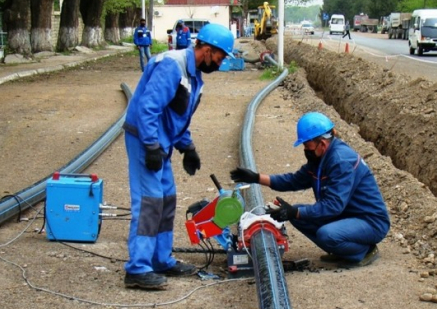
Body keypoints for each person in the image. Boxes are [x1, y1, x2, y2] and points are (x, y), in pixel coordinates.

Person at [122, 23, 235, 290]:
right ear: (207, 51)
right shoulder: (172, 66)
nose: (220, 64)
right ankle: (137, 268)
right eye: (219, 58)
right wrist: (150, 146)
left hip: (162, 143)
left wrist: (188, 147)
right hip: (145, 140)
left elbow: (177, 118)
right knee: (150, 201)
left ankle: (160, 259)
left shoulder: (194, 77)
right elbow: (148, 109)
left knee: (167, 199)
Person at [230, 112, 390, 267]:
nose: (306, 150)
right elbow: (294, 180)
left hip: (370, 221)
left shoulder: (341, 162)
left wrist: (294, 212)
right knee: (299, 213)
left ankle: (363, 251)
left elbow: (332, 206)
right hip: (347, 216)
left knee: (326, 234)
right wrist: (256, 178)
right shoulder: (321, 159)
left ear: (322, 143)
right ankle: (343, 249)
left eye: (308, 146)